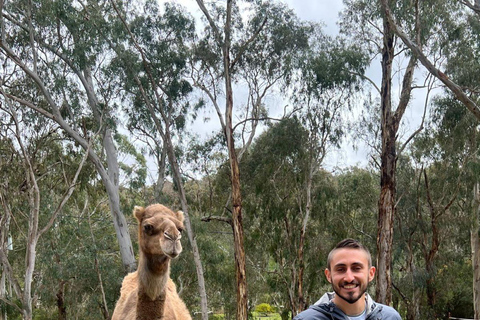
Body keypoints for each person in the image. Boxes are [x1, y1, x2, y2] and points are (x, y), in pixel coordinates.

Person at [293, 238, 402, 320]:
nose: (349, 278)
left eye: (356, 268)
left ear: (371, 273)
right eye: (340, 269)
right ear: (328, 275)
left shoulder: (390, 317)